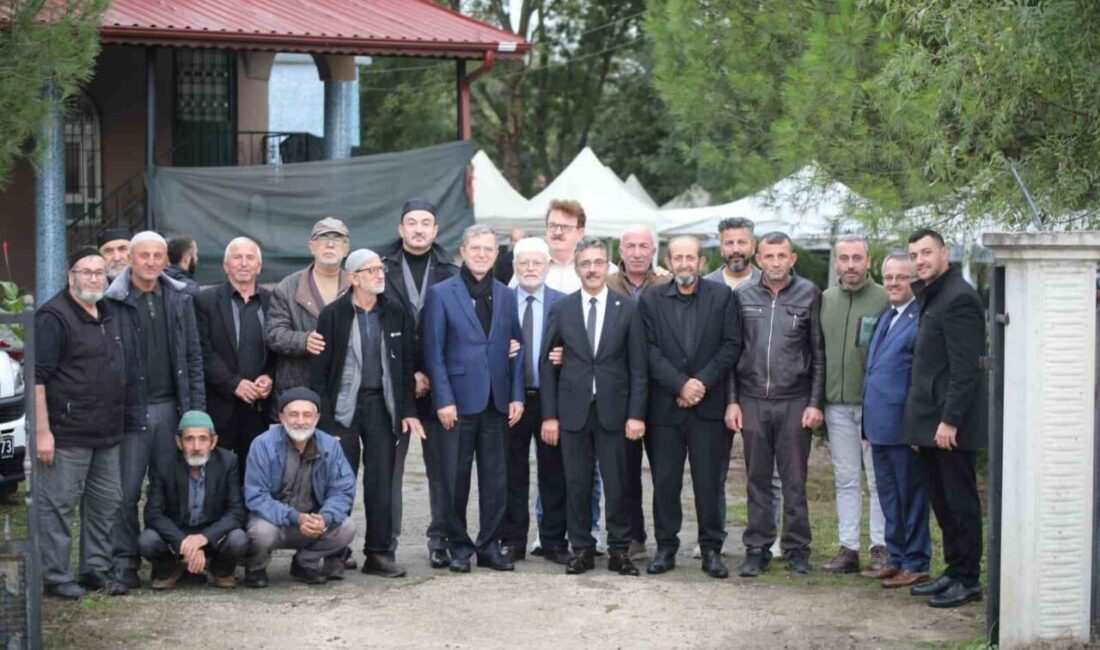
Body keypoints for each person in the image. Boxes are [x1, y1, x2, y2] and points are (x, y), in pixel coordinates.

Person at [310, 249, 423, 578]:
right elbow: (320, 373)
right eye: (370, 270)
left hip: (381, 406)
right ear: (353, 277)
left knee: (381, 481)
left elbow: (405, 368)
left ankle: (379, 553)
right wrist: (325, 420)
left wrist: (406, 410)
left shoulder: (395, 312)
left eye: (380, 269)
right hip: (343, 407)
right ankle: (335, 553)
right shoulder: (333, 315)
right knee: (338, 481)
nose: (379, 275)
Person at [540, 237, 647, 576]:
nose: (592, 269)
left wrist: (636, 414)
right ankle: (581, 549)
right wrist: (550, 416)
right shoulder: (562, 308)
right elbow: (547, 364)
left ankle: (618, 551)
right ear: (576, 268)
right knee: (577, 483)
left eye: (598, 262)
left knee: (618, 483)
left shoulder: (627, 308)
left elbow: (638, 367)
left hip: (615, 412)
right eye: (585, 263)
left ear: (608, 266)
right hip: (573, 412)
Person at [105, 230, 205, 589]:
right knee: (126, 493)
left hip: (172, 410)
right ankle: (124, 564)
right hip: (130, 413)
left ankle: (172, 561)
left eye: (157, 256)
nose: (150, 262)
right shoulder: (111, 300)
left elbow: (193, 358)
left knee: (173, 491)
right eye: (143, 255)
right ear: (131, 258)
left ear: (166, 260)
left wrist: (196, 413)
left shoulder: (179, 299)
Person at [422, 224, 524, 572]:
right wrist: (443, 400)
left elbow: (517, 347)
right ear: (462, 251)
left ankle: (489, 546)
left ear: (496, 254)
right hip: (458, 402)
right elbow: (433, 352)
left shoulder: (506, 295)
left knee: (496, 479)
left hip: (496, 401)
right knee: (455, 478)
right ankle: (460, 547)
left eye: (488, 249)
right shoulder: (441, 293)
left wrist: (516, 396)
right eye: (475, 248)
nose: (482, 254)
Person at [639, 236, 742, 579]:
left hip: (708, 408)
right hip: (665, 409)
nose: (684, 263)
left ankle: (711, 550)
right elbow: (649, 351)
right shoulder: (651, 300)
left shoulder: (722, 296)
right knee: (665, 483)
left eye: (690, 257)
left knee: (709, 483)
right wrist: (680, 384)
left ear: (701, 262)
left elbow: (731, 345)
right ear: (668, 263)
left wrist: (699, 384)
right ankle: (666, 548)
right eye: (678, 257)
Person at [35, 247, 130, 599]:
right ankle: (56, 576)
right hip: (66, 433)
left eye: (99, 272)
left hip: (106, 433)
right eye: (86, 271)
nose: (94, 277)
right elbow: (37, 378)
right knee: (58, 507)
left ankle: (95, 569)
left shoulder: (107, 313)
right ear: (70, 276)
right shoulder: (54, 317)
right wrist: (42, 432)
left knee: (106, 504)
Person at [729, 231, 824, 577]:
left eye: (781, 256)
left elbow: (818, 355)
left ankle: (797, 548)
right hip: (752, 398)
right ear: (758, 260)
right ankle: (757, 547)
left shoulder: (809, 293)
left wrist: (815, 403)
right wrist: (732, 402)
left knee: (794, 479)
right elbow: (733, 352)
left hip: (795, 400)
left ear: (792, 258)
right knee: (756, 478)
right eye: (768, 257)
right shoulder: (743, 296)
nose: (775, 263)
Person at [903, 228, 985, 608]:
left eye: (926, 252)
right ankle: (953, 571)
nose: (920, 260)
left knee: (960, 501)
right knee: (942, 502)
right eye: (915, 255)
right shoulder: (935, 295)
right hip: (931, 423)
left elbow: (965, 369)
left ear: (944, 254)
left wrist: (949, 421)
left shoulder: (959, 299)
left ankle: (968, 579)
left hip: (951, 425)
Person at [378, 199, 459, 568]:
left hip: (440, 385)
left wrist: (430, 373)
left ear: (436, 230)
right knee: (389, 468)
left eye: (426, 223)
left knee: (442, 468)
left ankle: (439, 539)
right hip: (393, 383)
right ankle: (386, 541)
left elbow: (457, 331)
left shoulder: (451, 270)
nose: (418, 229)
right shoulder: (379, 268)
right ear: (400, 228)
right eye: (411, 222)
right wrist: (408, 374)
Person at [700, 216, 779, 560]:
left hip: (758, 392)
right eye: (729, 243)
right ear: (721, 247)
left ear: (754, 245)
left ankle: (768, 538)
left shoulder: (771, 282)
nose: (736, 249)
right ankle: (711, 539)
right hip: (715, 393)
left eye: (742, 242)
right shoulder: (705, 285)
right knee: (711, 472)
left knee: (766, 472)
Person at [819, 235, 889, 574]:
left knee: (877, 479)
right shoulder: (825, 299)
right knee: (845, 478)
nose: (850, 265)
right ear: (835, 262)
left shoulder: (884, 299)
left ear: (868, 260)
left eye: (856, 258)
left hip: (873, 405)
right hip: (835, 405)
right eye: (844, 258)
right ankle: (849, 548)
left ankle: (881, 546)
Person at [862, 253, 931, 588]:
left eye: (900, 277)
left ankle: (917, 561)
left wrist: (917, 427)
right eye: (888, 277)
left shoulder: (920, 319)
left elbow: (920, 378)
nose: (893, 283)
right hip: (879, 426)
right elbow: (874, 371)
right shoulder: (888, 315)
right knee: (889, 497)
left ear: (914, 279)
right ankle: (897, 557)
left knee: (911, 497)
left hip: (904, 427)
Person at [243, 388, 357, 587]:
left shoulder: (330, 445)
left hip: (312, 523)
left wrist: (325, 517)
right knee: (261, 532)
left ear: (317, 417)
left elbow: (343, 490)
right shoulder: (262, 444)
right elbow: (256, 496)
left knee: (347, 528)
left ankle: (305, 562)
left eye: (307, 415)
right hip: (274, 522)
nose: (300, 421)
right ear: (281, 417)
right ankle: (256, 568)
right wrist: (296, 517)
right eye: (293, 414)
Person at [499, 238, 568, 564]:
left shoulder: (564, 304)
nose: (529, 269)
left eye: (536, 263)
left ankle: (554, 541)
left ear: (547, 266)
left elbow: (580, 348)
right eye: (523, 263)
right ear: (514, 268)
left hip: (550, 401)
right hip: (511, 401)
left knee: (554, 473)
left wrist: (569, 353)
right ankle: (513, 541)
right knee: (511, 473)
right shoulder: (501, 301)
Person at [605, 223, 669, 559]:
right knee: (624, 472)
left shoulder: (667, 283)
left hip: (661, 394)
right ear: (621, 251)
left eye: (644, 246)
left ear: (653, 251)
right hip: (620, 393)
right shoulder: (607, 285)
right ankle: (633, 536)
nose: (637, 252)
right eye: (630, 246)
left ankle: (665, 542)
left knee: (664, 472)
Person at [194, 237, 274, 481]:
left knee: (254, 472)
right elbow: (202, 351)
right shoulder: (205, 300)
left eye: (250, 258)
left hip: (259, 408)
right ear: (226, 265)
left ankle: (251, 519)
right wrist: (234, 384)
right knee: (217, 474)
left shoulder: (272, 301)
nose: (244, 263)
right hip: (220, 405)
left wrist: (270, 377)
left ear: (259, 267)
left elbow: (277, 347)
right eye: (237, 257)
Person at [139, 411, 248, 589]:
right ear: (179, 442)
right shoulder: (163, 463)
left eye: (203, 439)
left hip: (212, 533)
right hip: (176, 534)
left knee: (238, 539)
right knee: (147, 541)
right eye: (189, 439)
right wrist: (183, 541)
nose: (196, 446)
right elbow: (153, 513)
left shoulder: (228, 462)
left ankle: (220, 570)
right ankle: (170, 569)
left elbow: (236, 512)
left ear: (213, 442)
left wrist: (204, 537)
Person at [265, 217, 351, 402]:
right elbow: (274, 333)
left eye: (337, 239)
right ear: (311, 246)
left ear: (346, 248)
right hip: (299, 390)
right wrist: (304, 341)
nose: (329, 244)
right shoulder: (287, 288)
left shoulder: (357, 287)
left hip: (345, 390)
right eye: (322, 238)